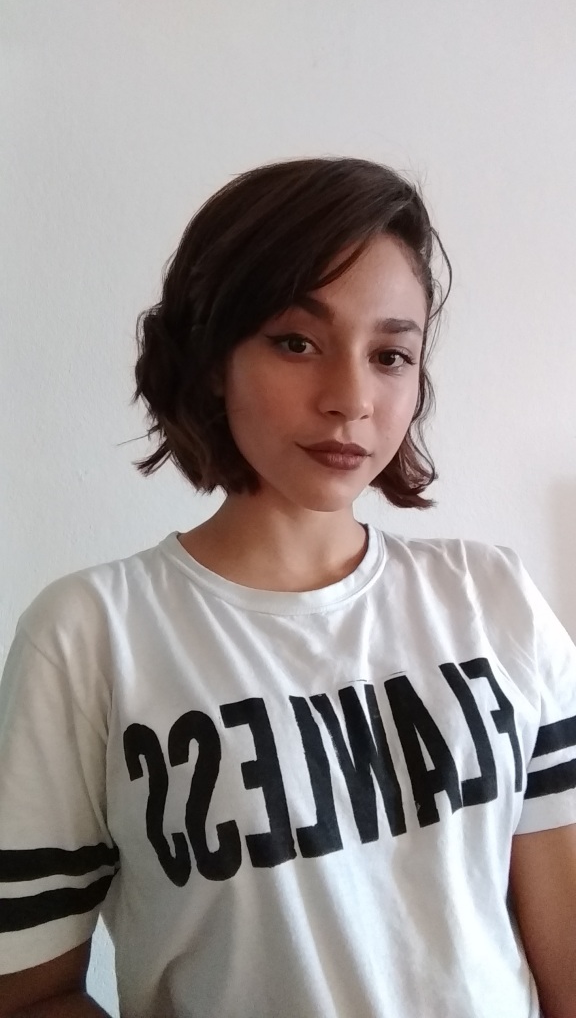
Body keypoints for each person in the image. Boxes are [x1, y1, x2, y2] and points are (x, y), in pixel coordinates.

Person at [1, 157, 576, 1018]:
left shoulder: (492, 599)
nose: (351, 398)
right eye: (296, 342)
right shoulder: (90, 637)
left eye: (391, 354)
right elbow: (28, 990)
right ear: (211, 358)